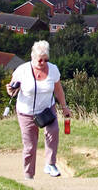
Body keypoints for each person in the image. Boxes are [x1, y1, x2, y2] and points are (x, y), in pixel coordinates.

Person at [7, 40, 70, 182]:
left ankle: (50, 164)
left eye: (45, 59)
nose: (43, 63)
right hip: (26, 112)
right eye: (40, 60)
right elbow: (12, 90)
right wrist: (10, 90)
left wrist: (64, 106)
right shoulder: (22, 70)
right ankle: (29, 176)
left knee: (53, 131)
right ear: (32, 57)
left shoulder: (53, 69)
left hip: (47, 109)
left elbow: (58, 89)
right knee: (30, 146)